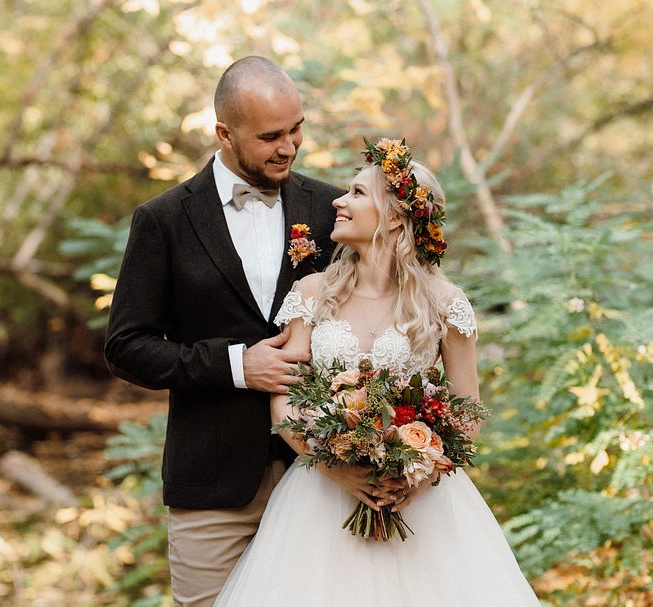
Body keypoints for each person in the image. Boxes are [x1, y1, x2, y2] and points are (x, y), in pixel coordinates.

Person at [214, 138, 540, 605]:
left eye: (357, 193)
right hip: (319, 500)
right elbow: (283, 398)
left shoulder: (445, 304)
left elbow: (468, 412)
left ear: (393, 217)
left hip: (422, 504)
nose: (338, 202)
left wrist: (418, 475)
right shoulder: (312, 291)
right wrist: (335, 468)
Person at [104, 56, 343, 607]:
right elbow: (126, 347)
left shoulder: (332, 211)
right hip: (211, 489)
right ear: (224, 133)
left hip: (320, 476)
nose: (289, 146)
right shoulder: (162, 220)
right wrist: (237, 366)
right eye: (270, 136)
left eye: (296, 129)